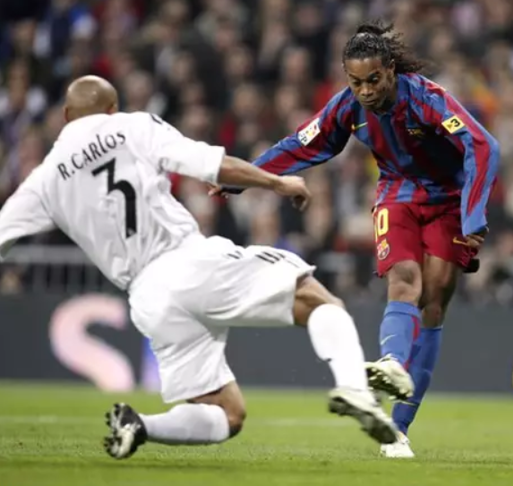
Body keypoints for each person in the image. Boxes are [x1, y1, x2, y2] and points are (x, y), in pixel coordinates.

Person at [0, 75, 403, 460]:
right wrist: (278, 183)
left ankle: (140, 425)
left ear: (65, 116)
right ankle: (354, 390)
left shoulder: (44, 179)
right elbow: (210, 164)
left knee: (227, 414)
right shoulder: (130, 126)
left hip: (147, 301)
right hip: (185, 261)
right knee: (316, 298)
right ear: (111, 108)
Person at [213, 21, 500, 458]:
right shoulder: (347, 106)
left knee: (434, 301)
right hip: (398, 194)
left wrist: (473, 213)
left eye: (373, 80)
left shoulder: (427, 99)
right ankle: (391, 363)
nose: (365, 91)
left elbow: (482, 146)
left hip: (449, 199)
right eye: (356, 82)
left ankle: (399, 427)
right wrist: (244, 177)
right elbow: (303, 144)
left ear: (390, 70)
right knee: (404, 279)